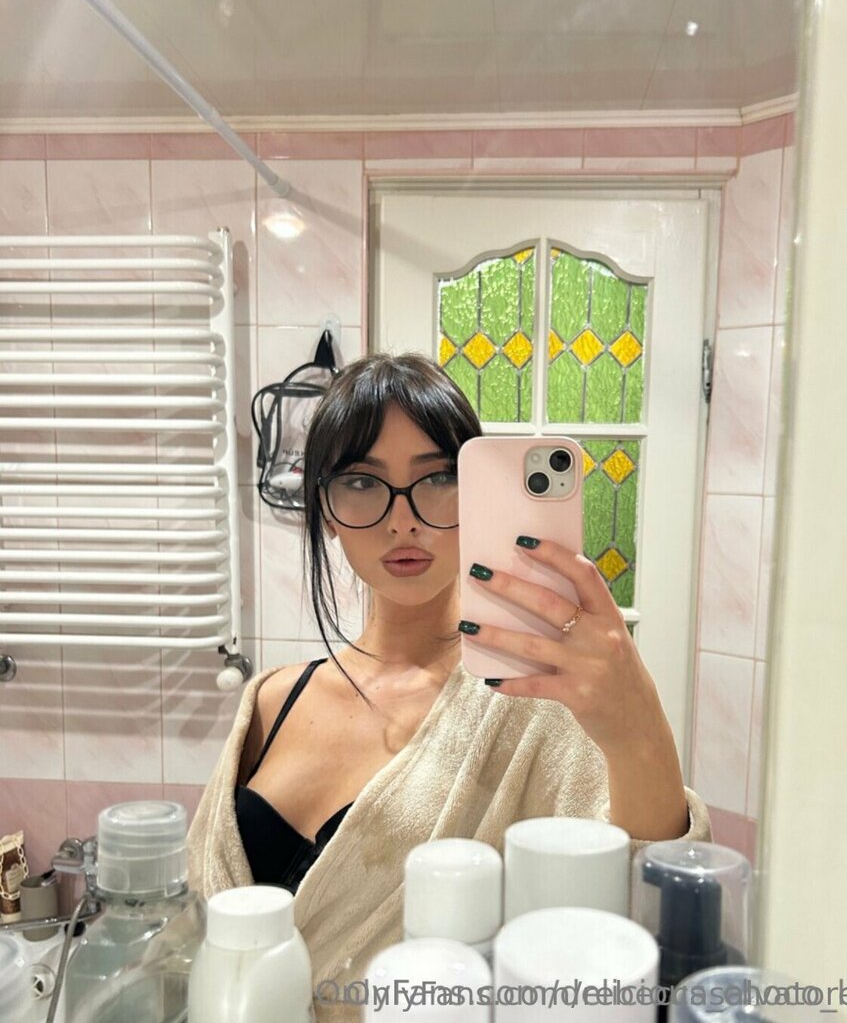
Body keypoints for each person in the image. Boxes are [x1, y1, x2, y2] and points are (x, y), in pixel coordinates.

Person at [187, 351, 710, 1022]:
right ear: (325, 506)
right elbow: (195, 923)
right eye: (362, 481)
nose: (402, 519)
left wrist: (638, 730)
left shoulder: (532, 705)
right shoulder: (270, 700)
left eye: (438, 478)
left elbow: (641, 917)